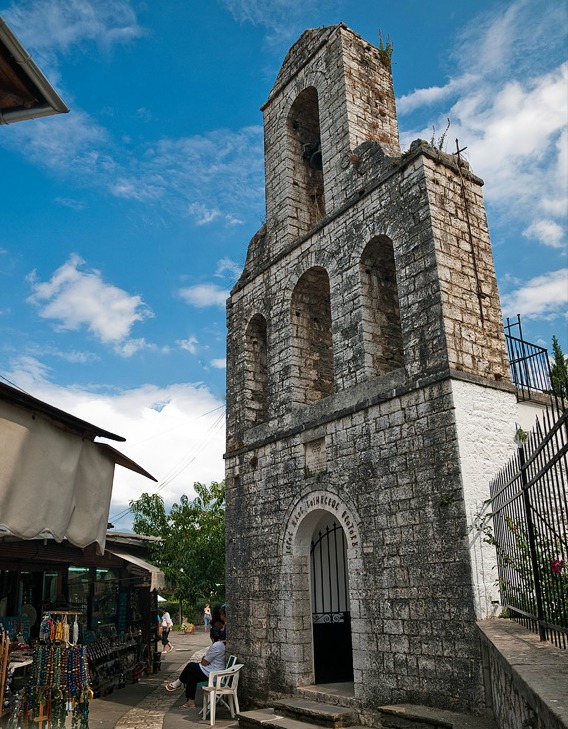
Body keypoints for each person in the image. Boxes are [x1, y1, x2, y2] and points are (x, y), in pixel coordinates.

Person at [165, 626, 226, 709]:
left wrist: (204, 658)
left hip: (213, 673)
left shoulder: (216, 646)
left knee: (191, 666)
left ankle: (179, 682)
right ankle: (190, 702)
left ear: (211, 635)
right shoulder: (219, 644)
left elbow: (204, 662)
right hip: (212, 670)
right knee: (191, 676)